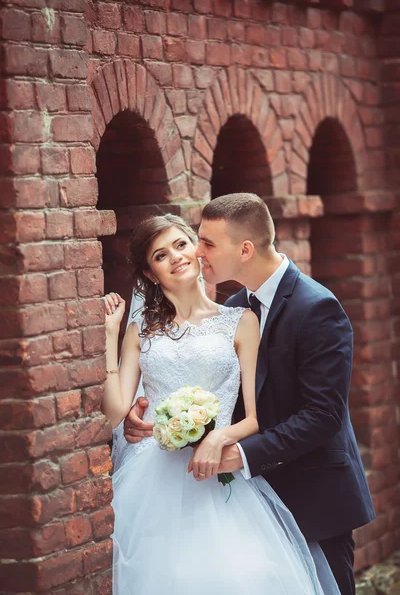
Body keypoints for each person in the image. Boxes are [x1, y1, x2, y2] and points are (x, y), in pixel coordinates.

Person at [124, 195, 375, 595]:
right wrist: (150, 415)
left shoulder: (318, 307)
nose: (197, 253)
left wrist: (239, 452)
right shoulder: (236, 308)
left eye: (207, 243)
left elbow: (323, 415)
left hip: (313, 494)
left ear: (244, 249)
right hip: (246, 497)